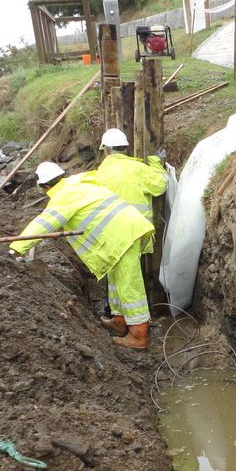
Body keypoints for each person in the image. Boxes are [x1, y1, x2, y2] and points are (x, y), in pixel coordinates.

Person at [9, 161, 155, 350]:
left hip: (121, 237)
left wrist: (17, 248)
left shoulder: (64, 196)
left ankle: (138, 337)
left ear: (44, 186)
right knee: (117, 281)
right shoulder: (80, 183)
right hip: (124, 231)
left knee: (129, 285)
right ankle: (119, 323)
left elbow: (45, 223)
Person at [88, 128, 168, 337]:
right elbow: (160, 185)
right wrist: (157, 164)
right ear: (125, 148)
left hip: (111, 235)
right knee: (122, 279)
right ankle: (119, 319)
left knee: (124, 280)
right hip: (135, 233)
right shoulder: (138, 168)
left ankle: (138, 335)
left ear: (105, 150)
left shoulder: (99, 174)